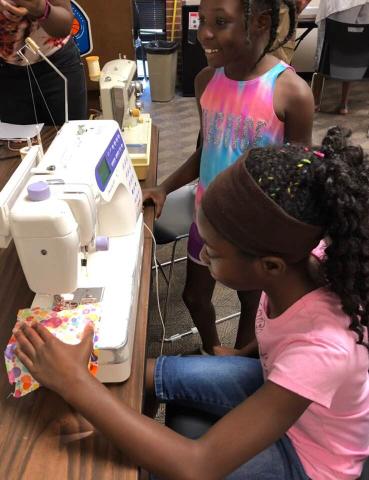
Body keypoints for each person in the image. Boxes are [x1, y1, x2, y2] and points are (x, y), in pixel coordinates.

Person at [14, 126, 369, 479]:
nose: (202, 256)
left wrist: (74, 381)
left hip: (308, 460)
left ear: (269, 266)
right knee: (144, 372)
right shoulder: (302, 264)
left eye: (212, 254)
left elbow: (197, 465)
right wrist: (245, 353)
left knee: (159, 471)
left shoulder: (324, 348)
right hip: (283, 384)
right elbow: (287, 329)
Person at [143, 0, 314, 355]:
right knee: (194, 294)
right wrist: (163, 187)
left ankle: (239, 358)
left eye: (220, 22)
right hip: (206, 218)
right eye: (201, 20)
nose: (204, 33)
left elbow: (301, 179)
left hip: (255, 232)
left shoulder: (291, 93)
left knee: (251, 302)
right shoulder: (206, 80)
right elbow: (205, 149)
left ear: (261, 22)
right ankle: (212, 350)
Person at [0, 0, 87, 125]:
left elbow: (64, 26)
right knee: (17, 142)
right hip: (7, 73)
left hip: (57, 67)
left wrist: (41, 8)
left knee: (73, 138)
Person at [313, 0, 369, 114]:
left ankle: (315, 102)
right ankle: (343, 104)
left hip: (340, 4)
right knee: (351, 49)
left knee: (325, 48)